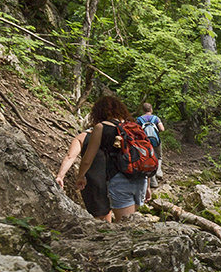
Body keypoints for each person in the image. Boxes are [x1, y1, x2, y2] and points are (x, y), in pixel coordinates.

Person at [75, 94, 148, 222]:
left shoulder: (101, 127)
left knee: (125, 226)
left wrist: (81, 176)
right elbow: (143, 153)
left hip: (120, 180)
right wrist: (147, 187)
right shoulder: (132, 126)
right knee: (131, 223)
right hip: (141, 179)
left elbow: (88, 159)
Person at [56, 126, 111, 221]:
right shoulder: (111, 134)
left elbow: (70, 156)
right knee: (107, 211)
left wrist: (60, 176)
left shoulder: (82, 137)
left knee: (97, 213)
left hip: (91, 179)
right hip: (112, 177)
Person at [137, 102, 165, 183]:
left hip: (144, 142)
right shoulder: (156, 118)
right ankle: (158, 172)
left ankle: (152, 180)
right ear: (151, 109)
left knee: (148, 158)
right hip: (155, 141)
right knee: (159, 157)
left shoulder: (139, 119)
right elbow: (162, 129)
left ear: (143, 110)